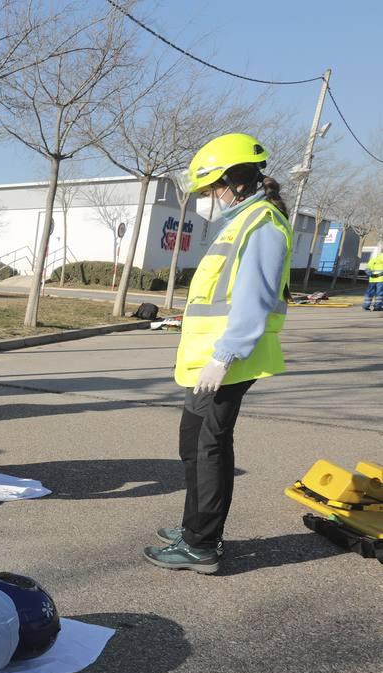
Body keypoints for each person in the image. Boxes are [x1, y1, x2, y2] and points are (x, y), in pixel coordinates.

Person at [144, 133, 291, 575]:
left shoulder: (262, 224)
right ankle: (194, 527)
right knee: (195, 445)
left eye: (213, 188)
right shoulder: (242, 219)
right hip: (211, 362)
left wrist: (225, 356)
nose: (211, 198)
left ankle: (202, 544)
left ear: (237, 180)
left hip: (227, 362)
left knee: (208, 448)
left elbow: (253, 299)